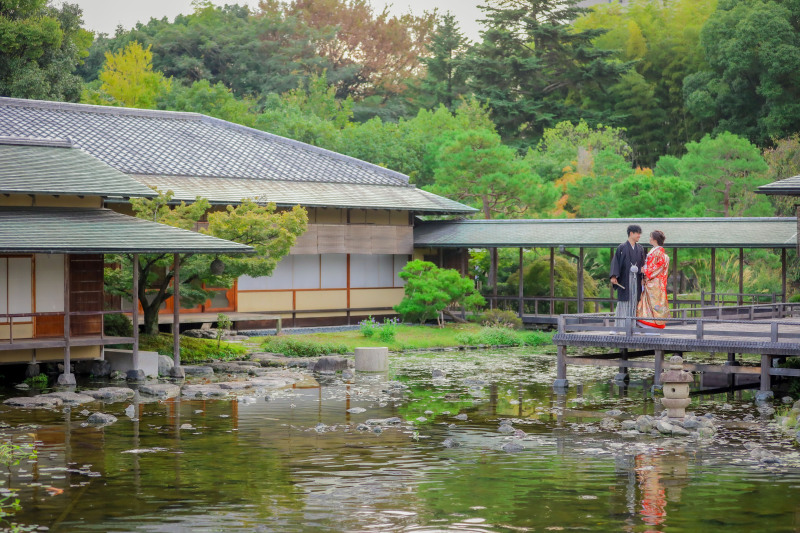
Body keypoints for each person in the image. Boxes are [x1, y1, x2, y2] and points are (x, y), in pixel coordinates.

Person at [610, 224, 646, 327]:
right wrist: (613, 276)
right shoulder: (621, 247)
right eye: (638, 233)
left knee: (635, 301)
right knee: (624, 302)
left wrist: (643, 277)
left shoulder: (640, 248)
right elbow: (615, 262)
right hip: (625, 279)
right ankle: (620, 326)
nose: (639, 236)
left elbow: (643, 264)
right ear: (631, 233)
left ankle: (633, 326)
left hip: (636, 278)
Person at [637, 230, 670, 329]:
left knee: (652, 303)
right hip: (654, 281)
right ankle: (652, 324)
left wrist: (645, 270)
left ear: (654, 239)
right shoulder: (657, 251)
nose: (649, 238)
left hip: (654, 282)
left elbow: (657, 267)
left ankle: (652, 325)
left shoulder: (659, 253)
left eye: (651, 237)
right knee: (650, 303)